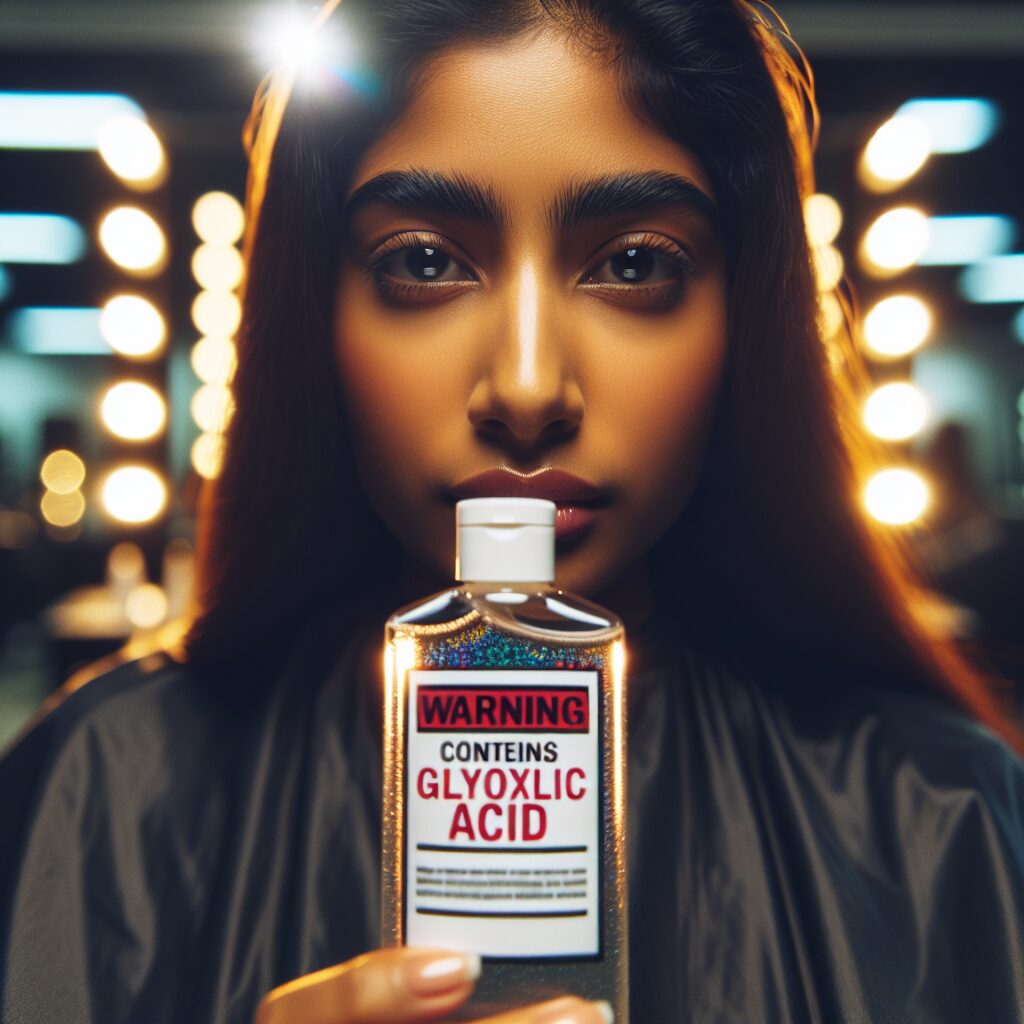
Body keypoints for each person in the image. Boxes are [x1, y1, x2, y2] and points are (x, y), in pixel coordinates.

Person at [2, 1, 1023, 1021]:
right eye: (424, 260)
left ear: (744, 319)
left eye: (633, 264)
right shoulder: (96, 794)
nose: (528, 387)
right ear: (316, 311)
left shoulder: (950, 822)